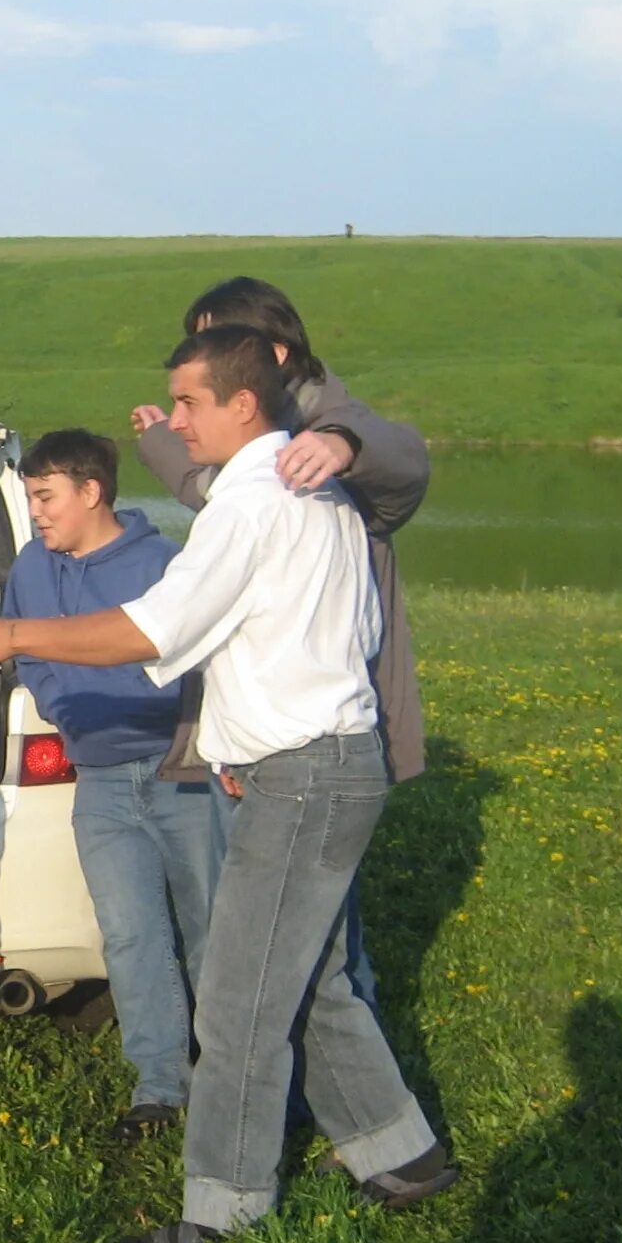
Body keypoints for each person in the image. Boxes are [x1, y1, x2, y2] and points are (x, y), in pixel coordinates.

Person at [0, 327, 454, 1243]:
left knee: (238, 998)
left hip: (304, 776)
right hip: (324, 762)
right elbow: (322, 634)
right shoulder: (320, 494)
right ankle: (402, 1154)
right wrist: (230, 738)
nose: (173, 423)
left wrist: (13, 638)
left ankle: (224, 1211)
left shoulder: (251, 504)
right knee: (316, 979)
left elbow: (152, 629)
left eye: (187, 405)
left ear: (243, 404)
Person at [129, 275, 429, 1015]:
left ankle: (313, 1102)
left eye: (216, 343)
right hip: (260, 731)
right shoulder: (250, 449)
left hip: (320, 727)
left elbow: (406, 457)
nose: (205, 356)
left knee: (324, 945)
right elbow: (210, 492)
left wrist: (340, 442)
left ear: (271, 357)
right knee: (278, 940)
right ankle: (364, 1122)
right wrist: (165, 445)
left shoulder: (327, 415)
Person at [1, 429, 227, 1135]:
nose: (37, 512)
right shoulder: (30, 569)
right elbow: (26, 655)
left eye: (46, 496)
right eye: (31, 497)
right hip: (97, 778)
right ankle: (160, 1089)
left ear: (91, 491)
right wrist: (63, 706)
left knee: (211, 931)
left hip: (178, 770)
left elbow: (205, 663)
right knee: (130, 935)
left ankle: (233, 1080)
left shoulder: (166, 564)